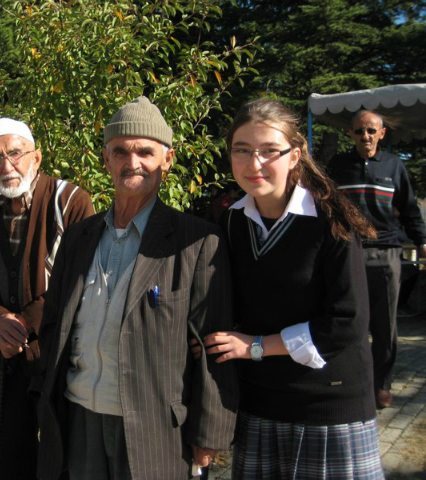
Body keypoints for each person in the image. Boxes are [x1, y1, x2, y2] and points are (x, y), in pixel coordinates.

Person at [36, 96, 238, 480]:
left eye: (145, 151)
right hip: (78, 416)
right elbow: (54, 323)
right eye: (121, 152)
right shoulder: (79, 237)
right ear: (106, 158)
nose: (133, 163)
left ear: (168, 158)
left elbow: (213, 345)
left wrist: (209, 432)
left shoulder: (196, 242)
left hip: (154, 427)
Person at [196, 99, 384, 479]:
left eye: (269, 151)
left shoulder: (331, 220)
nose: (254, 164)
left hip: (327, 405)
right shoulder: (232, 222)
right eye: (242, 150)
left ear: (294, 155)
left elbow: (347, 321)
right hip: (260, 404)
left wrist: (256, 346)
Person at [0, 117, 94, 479]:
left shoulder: (71, 201)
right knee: (11, 457)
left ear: (36, 157)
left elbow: (80, 278)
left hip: (62, 357)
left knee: (63, 457)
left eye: (15, 153)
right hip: (8, 358)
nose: (7, 166)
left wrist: (21, 324)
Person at [327, 110, 426, 408]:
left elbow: (409, 209)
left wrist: (421, 241)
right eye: (359, 131)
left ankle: (381, 384)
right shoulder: (338, 166)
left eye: (371, 131)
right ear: (351, 134)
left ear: (381, 134)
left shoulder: (395, 166)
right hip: (346, 252)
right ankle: (351, 380)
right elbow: (326, 206)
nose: (365, 136)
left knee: (384, 325)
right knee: (348, 320)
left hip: (386, 254)